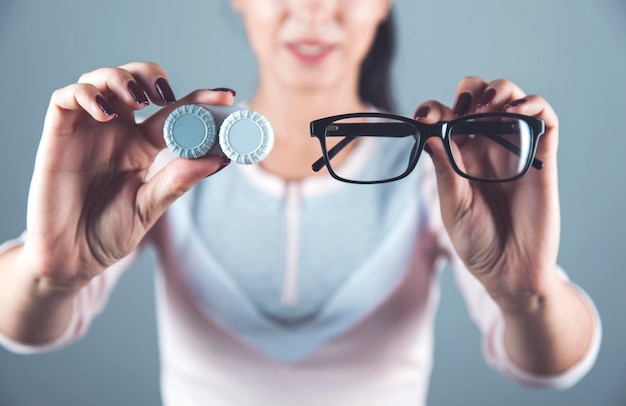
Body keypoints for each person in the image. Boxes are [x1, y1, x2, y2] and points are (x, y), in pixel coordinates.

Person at [0, 1, 601, 405]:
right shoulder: (160, 166)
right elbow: (29, 328)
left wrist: (529, 296)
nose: (314, 10)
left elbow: (547, 366)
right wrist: (47, 275)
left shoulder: (442, 173)